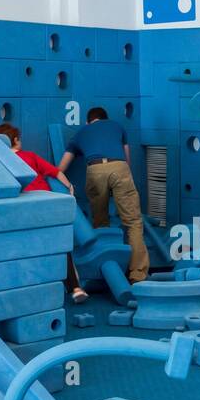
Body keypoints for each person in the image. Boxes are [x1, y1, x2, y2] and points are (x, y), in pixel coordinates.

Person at [0, 122, 88, 303]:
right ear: (15, 140)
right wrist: (69, 187)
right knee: (61, 247)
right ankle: (75, 288)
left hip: (21, 210)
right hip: (46, 205)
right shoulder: (29, 156)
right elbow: (56, 172)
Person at [56, 107, 149, 283]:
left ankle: (105, 268)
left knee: (100, 222)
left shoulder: (80, 133)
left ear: (88, 121)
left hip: (95, 169)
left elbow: (61, 167)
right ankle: (137, 274)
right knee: (133, 222)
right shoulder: (117, 126)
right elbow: (127, 159)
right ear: (105, 118)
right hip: (119, 167)